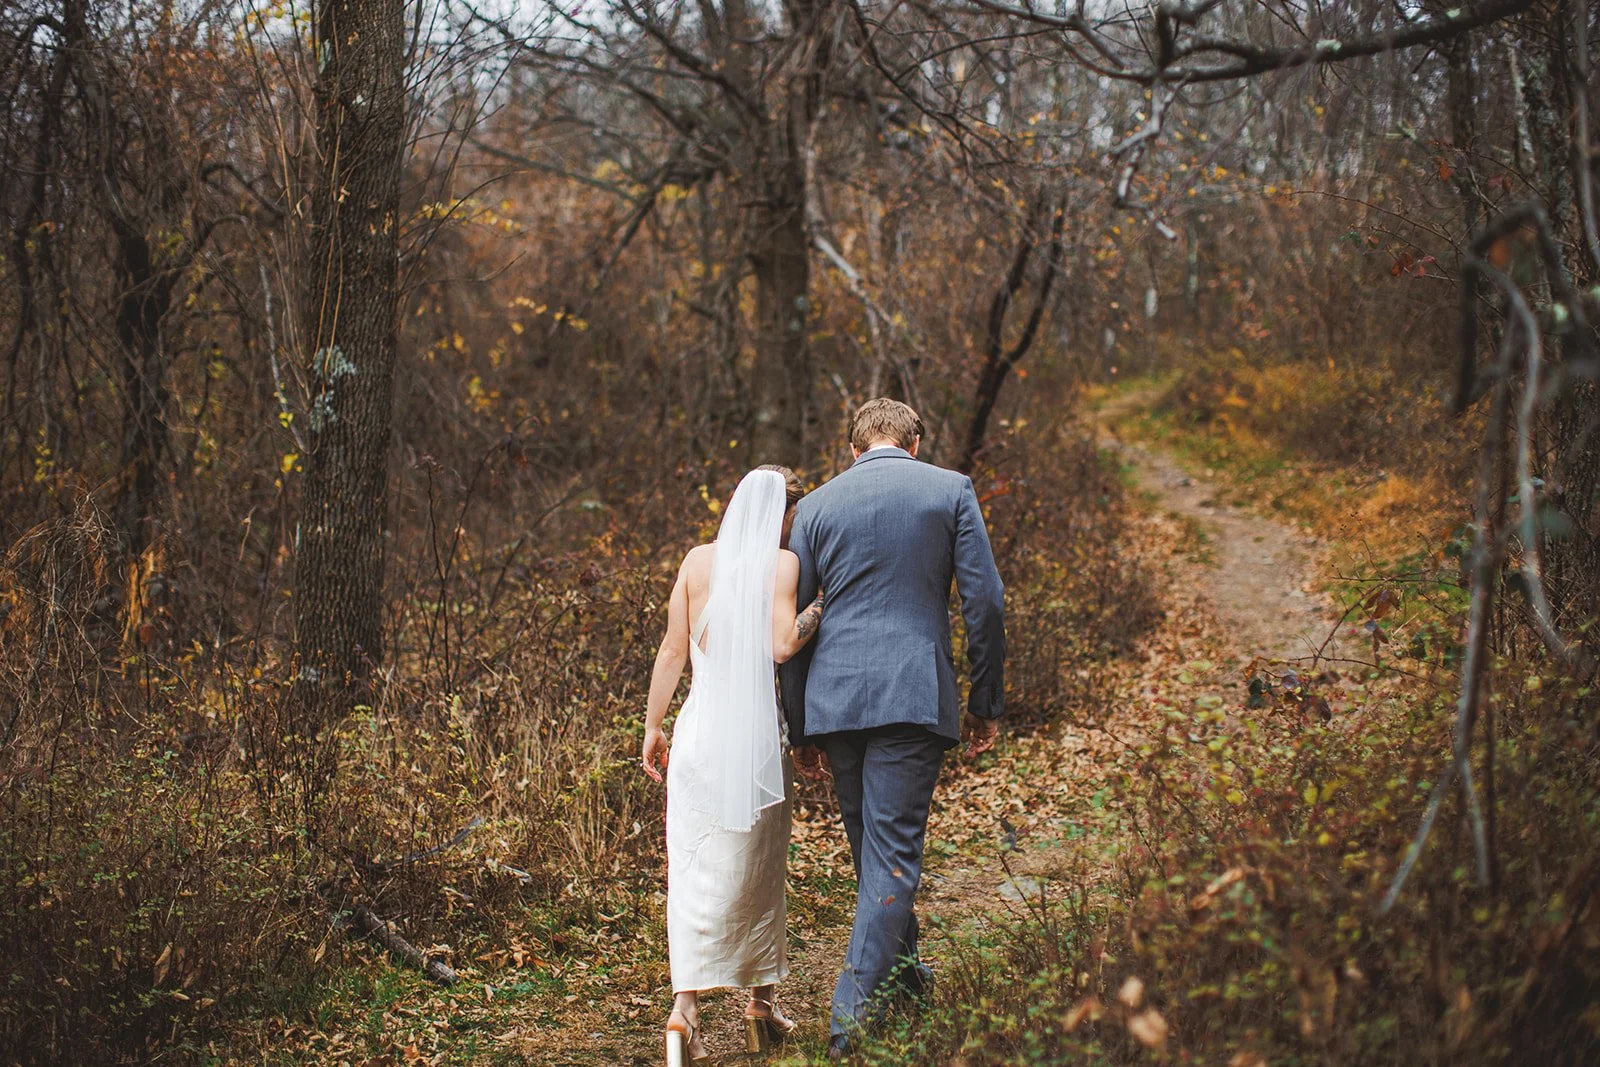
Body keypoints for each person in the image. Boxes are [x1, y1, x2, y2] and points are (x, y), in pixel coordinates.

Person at [778, 398, 1006, 1060]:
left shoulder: (817, 507)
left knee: (875, 855)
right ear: (914, 443)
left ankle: (909, 983)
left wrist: (800, 727)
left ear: (853, 449)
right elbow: (985, 600)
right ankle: (848, 1022)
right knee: (893, 856)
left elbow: (792, 622)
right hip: (911, 693)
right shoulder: (949, 489)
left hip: (836, 700)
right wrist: (984, 698)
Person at [641, 465, 825, 1066]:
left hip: (697, 731)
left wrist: (652, 725)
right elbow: (781, 645)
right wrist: (820, 608)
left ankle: (684, 1012)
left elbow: (672, 648)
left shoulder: (697, 561)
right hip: (754, 738)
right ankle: (759, 1004)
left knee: (691, 867)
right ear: (783, 515)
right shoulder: (783, 565)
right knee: (760, 866)